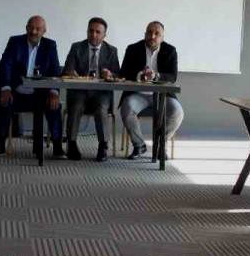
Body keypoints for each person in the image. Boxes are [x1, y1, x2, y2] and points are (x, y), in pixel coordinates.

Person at [0, 16, 62, 157]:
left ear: (44, 31)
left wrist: (54, 91)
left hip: (41, 94)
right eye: (31, 28)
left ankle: (58, 147)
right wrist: (6, 89)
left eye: (38, 29)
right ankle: (0, 145)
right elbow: (6, 66)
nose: (34, 32)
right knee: (3, 103)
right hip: (17, 92)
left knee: (55, 106)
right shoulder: (15, 42)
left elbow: (55, 70)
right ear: (26, 28)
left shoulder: (50, 45)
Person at [119, 21, 183, 161]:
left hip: (162, 95)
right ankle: (139, 145)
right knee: (127, 107)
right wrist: (139, 75)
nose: (152, 36)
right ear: (145, 34)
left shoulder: (170, 50)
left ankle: (161, 144)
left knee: (177, 112)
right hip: (139, 94)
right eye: (149, 32)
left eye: (157, 33)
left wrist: (156, 76)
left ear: (162, 37)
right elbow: (123, 73)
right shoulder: (133, 49)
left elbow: (172, 77)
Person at [62, 17, 121, 162]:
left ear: (104, 35)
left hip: (101, 92)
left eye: (98, 32)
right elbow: (67, 70)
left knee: (101, 109)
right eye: (91, 31)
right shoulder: (77, 47)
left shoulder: (111, 51)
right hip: (80, 91)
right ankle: (72, 144)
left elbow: (118, 75)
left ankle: (103, 146)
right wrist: (71, 73)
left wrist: (110, 75)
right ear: (87, 31)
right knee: (75, 106)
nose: (94, 35)